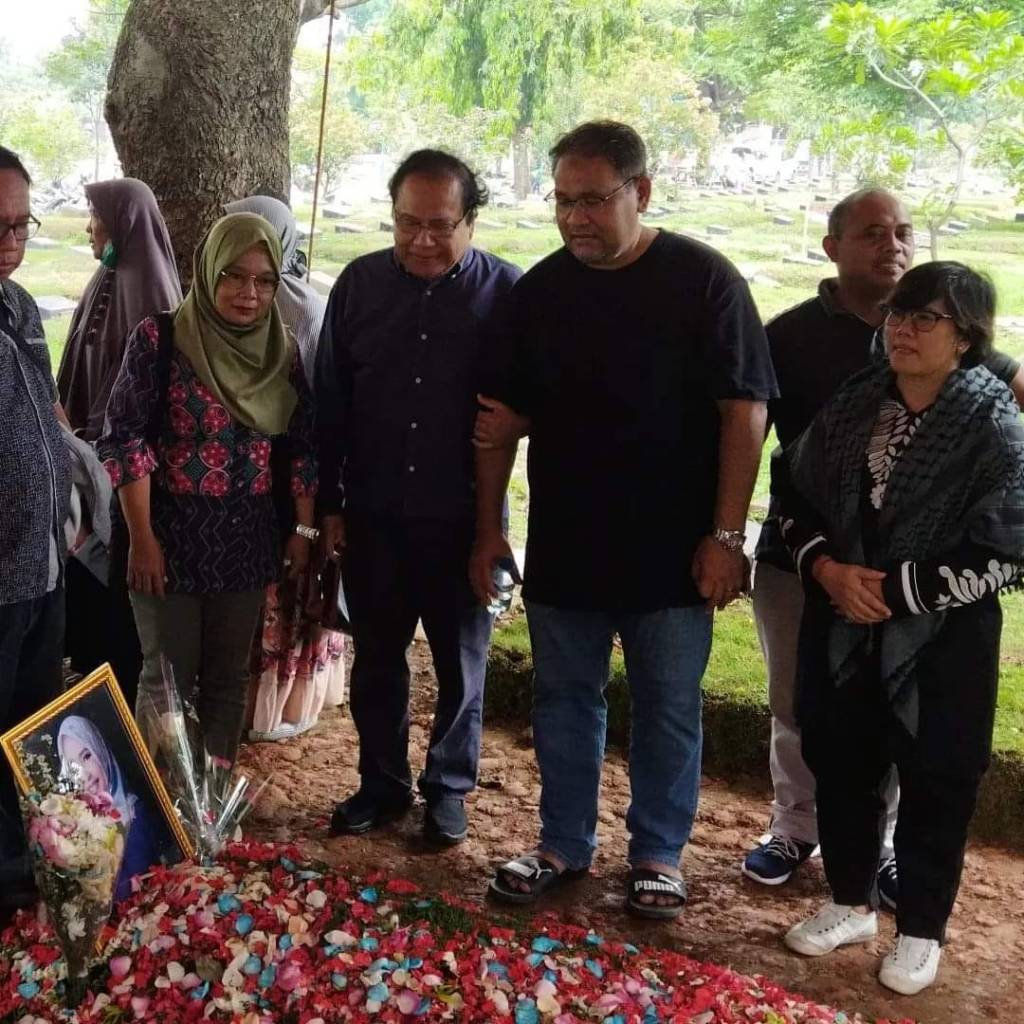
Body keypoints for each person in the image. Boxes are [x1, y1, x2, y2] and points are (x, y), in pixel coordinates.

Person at [473, 121, 776, 919]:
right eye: (562, 201)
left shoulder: (704, 281)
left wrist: (726, 537)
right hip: (567, 543)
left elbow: (745, 412)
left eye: (593, 200)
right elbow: (499, 421)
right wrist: (490, 529)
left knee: (668, 704)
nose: (575, 218)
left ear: (640, 191)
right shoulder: (540, 293)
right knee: (563, 700)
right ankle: (562, 843)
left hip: (674, 550)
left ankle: (657, 853)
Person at [743, 188, 1024, 901]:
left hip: (912, 585)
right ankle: (794, 826)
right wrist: (791, 554)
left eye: (902, 232)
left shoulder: (963, 350)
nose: (892, 245)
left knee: (898, 710)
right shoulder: (789, 335)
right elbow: (755, 441)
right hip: (805, 560)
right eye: (872, 233)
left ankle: (883, 846)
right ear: (832, 247)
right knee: (799, 703)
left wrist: (907, 582)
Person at [316, 149, 522, 847]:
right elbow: (331, 400)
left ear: (471, 221)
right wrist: (330, 504)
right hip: (374, 513)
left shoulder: (507, 294)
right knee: (377, 657)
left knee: (462, 662)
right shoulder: (360, 284)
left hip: (466, 518)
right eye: (408, 223)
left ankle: (448, 789)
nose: (422, 240)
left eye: (440, 225)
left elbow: (529, 404)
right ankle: (381, 783)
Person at [97, 212, 318, 764]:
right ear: (207, 270)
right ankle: (162, 800)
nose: (249, 293)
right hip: (167, 537)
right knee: (165, 681)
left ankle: (211, 798)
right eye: (233, 276)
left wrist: (303, 528)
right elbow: (124, 441)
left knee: (226, 680)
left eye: (264, 280)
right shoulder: (162, 338)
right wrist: (142, 539)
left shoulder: (282, 353)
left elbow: (303, 448)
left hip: (247, 541)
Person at [223, 195, 344, 742]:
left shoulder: (303, 309)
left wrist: (308, 513)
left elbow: (317, 400)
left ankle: (273, 703)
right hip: (243, 477)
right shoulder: (209, 311)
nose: (250, 289)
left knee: (289, 585)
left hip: (294, 471)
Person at [56, 177, 182, 702]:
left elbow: (137, 407)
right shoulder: (105, 279)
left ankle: (118, 702)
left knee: (118, 609)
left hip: (126, 482)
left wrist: (92, 448)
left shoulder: (151, 294)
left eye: (97, 218)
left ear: (124, 224)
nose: (90, 228)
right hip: (86, 467)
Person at [0, 146, 72, 911]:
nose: (11, 243)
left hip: (41, 564)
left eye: (22, 225)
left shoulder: (19, 307)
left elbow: (47, 408)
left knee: (31, 732)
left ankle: (29, 867)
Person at [56, 714, 163, 900]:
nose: (85, 775)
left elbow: (141, 882)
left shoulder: (134, 814)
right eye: (73, 768)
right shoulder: (76, 826)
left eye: (87, 756)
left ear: (100, 750)